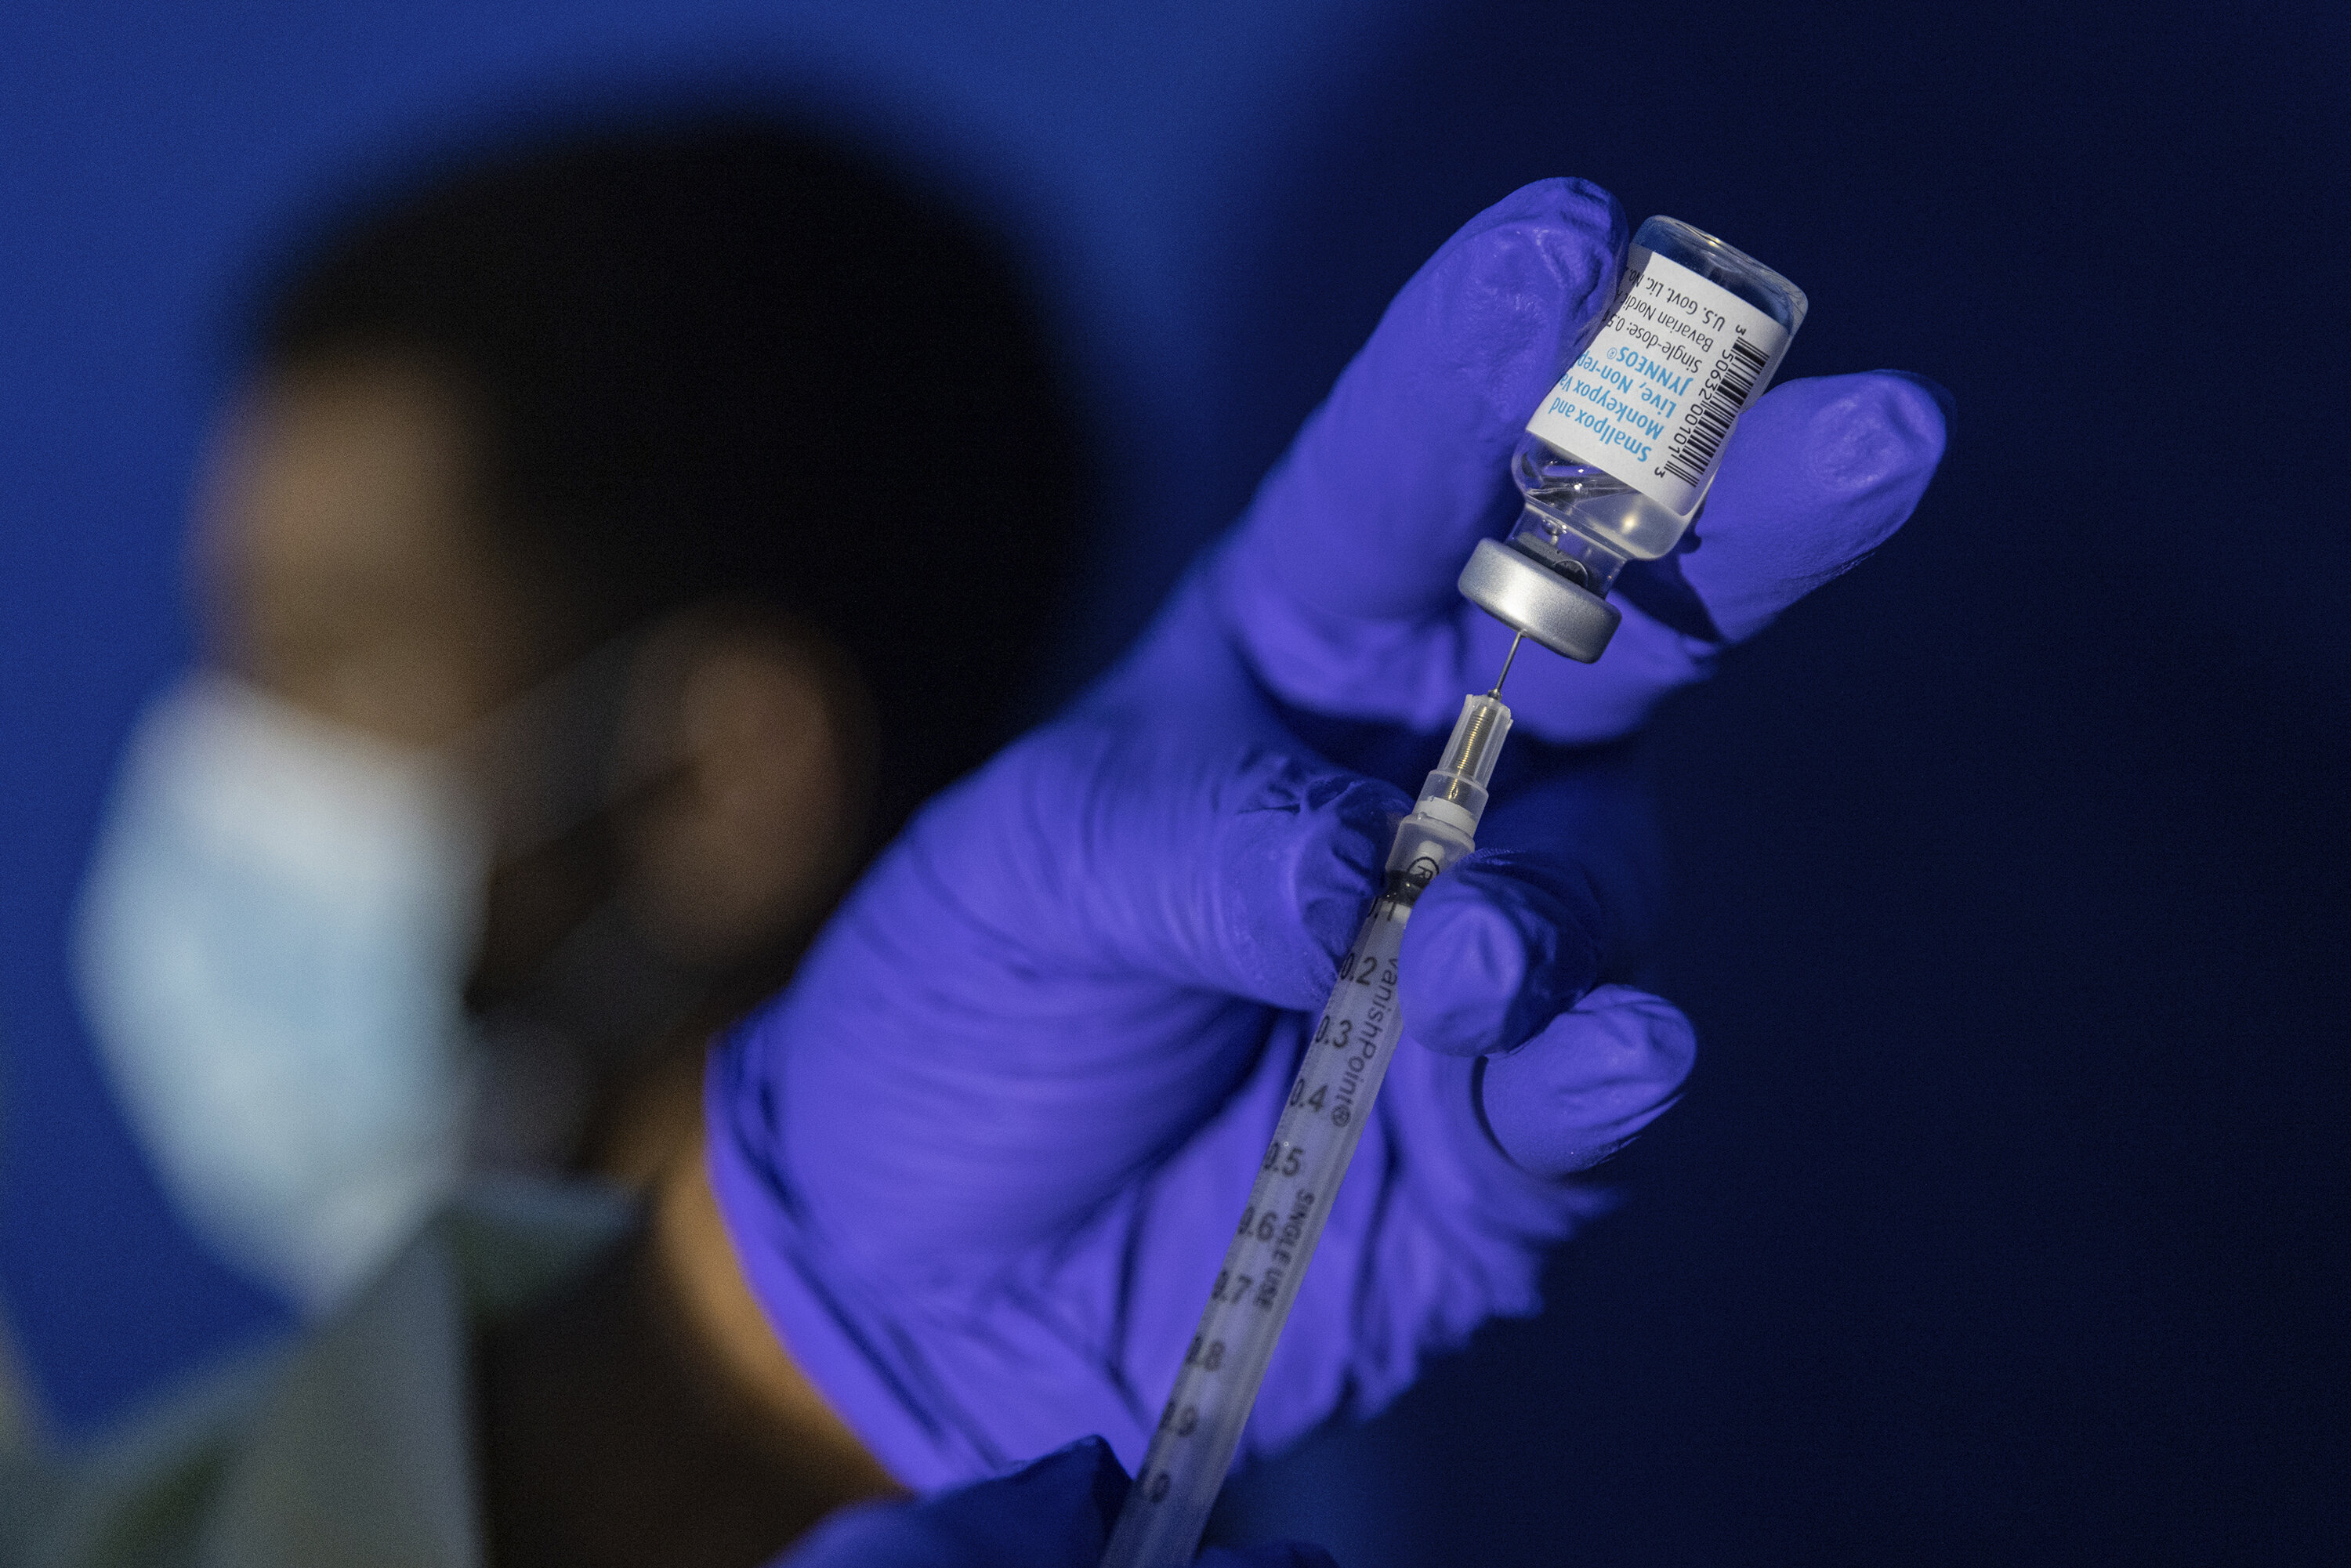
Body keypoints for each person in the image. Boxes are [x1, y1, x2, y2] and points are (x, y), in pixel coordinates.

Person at [68, 114, 1079, 1313]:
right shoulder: (403, 1456)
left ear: (723, 775)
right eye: (230, 653)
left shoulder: (976, 1482)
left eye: (330, 658)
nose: (218, 761)